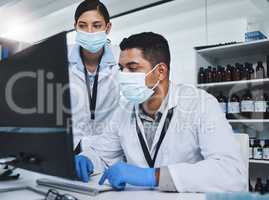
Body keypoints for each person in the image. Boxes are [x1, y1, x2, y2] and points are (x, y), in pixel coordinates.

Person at [75, 32, 247, 192]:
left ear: (161, 72)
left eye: (132, 68)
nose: (123, 75)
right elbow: (102, 153)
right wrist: (88, 159)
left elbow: (231, 172)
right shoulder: (124, 110)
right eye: (121, 68)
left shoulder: (200, 104)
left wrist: (153, 176)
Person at [68, 0, 120, 153]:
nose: (89, 32)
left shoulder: (122, 60)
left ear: (108, 27)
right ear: (75, 26)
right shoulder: (59, 58)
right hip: (69, 149)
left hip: (109, 149)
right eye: (82, 26)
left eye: (96, 25)